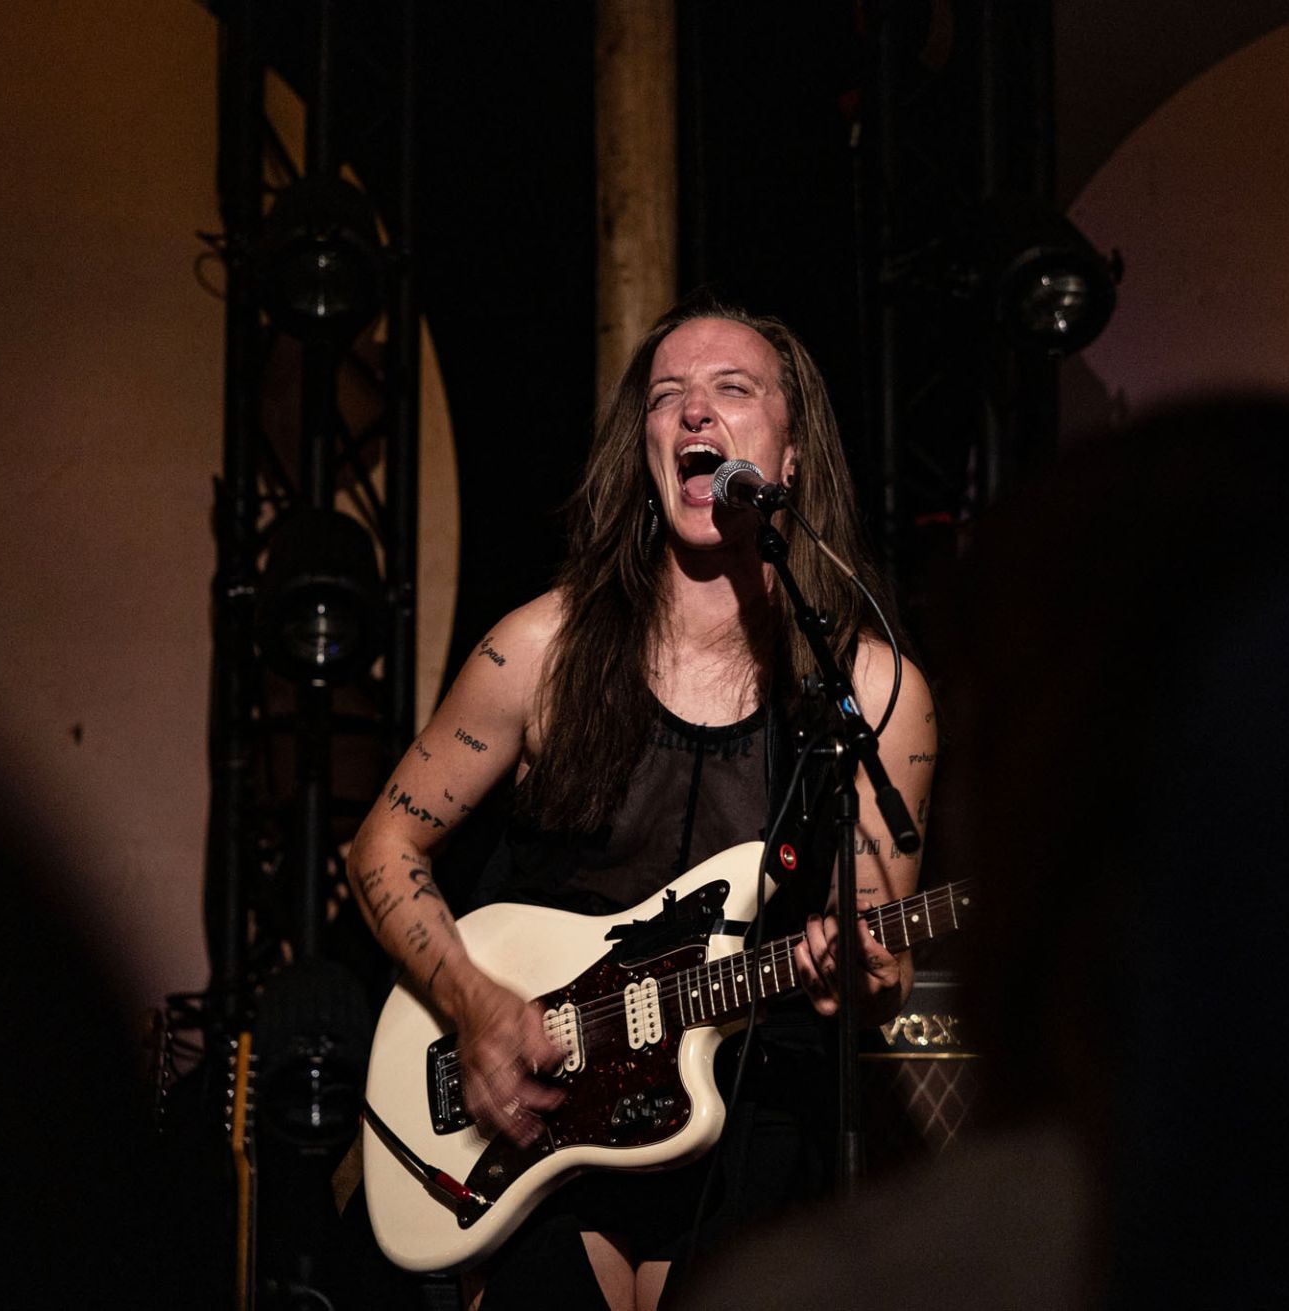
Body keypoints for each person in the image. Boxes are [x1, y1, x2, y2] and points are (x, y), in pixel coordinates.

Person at [344, 294, 936, 1310]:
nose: (695, 413)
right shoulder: (540, 650)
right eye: (668, 397)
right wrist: (475, 1006)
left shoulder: (875, 691)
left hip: (747, 1113)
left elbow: (877, 958)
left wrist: (865, 969)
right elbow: (383, 846)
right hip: (543, 1111)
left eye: (732, 389)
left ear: (792, 456)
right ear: (646, 449)